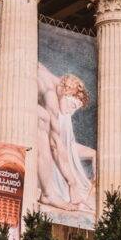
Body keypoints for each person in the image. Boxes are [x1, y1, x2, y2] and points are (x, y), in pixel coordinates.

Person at [36, 63, 96, 218]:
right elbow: (55, 144)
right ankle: (48, 194)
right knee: (42, 119)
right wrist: (72, 183)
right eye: (73, 104)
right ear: (66, 91)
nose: (72, 111)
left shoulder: (53, 83)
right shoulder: (51, 96)